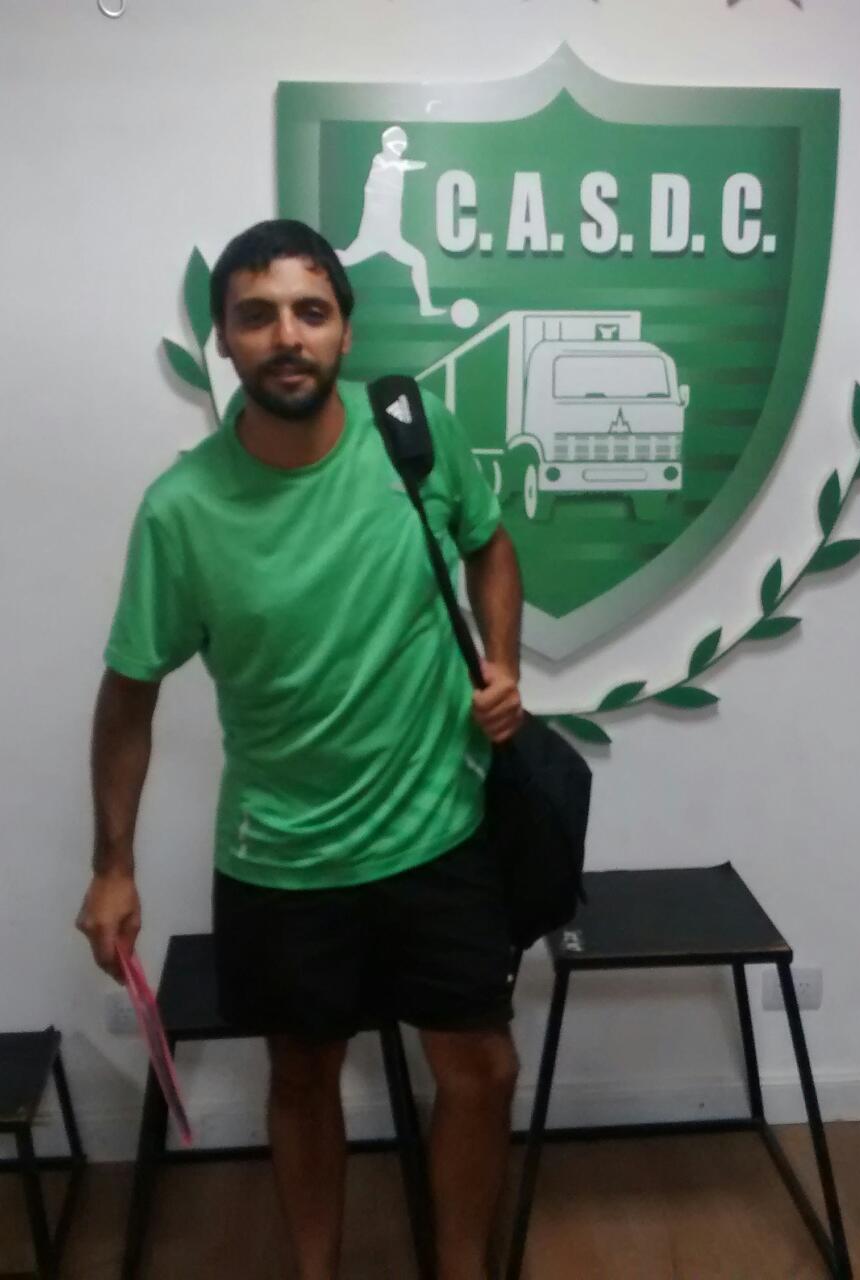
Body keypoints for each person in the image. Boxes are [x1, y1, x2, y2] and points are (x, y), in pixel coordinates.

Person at [76, 219, 524, 1280]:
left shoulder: (414, 433)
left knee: (480, 1067)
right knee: (302, 1075)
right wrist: (112, 865)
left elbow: (491, 544)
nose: (287, 335)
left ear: (345, 332)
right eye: (257, 315)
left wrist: (502, 661)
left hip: (438, 830)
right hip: (282, 856)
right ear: (225, 339)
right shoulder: (182, 510)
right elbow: (129, 697)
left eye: (310, 311)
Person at [338, 125, 446, 317]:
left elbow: (402, 165)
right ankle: (318, 255)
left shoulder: (396, 168)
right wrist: (427, 164)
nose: (400, 148)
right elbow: (400, 164)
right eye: (396, 143)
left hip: (392, 237)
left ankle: (426, 307)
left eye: (402, 144)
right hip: (371, 235)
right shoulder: (380, 161)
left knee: (418, 261)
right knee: (345, 259)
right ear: (385, 144)